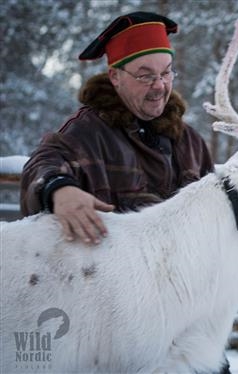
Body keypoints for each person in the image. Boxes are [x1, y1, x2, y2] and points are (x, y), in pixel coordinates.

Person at [20, 12, 214, 245]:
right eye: (145, 76)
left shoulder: (190, 141)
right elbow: (42, 164)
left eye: (166, 72)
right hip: (113, 275)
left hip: (182, 278)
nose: (160, 86)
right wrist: (58, 189)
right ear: (115, 76)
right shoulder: (86, 133)